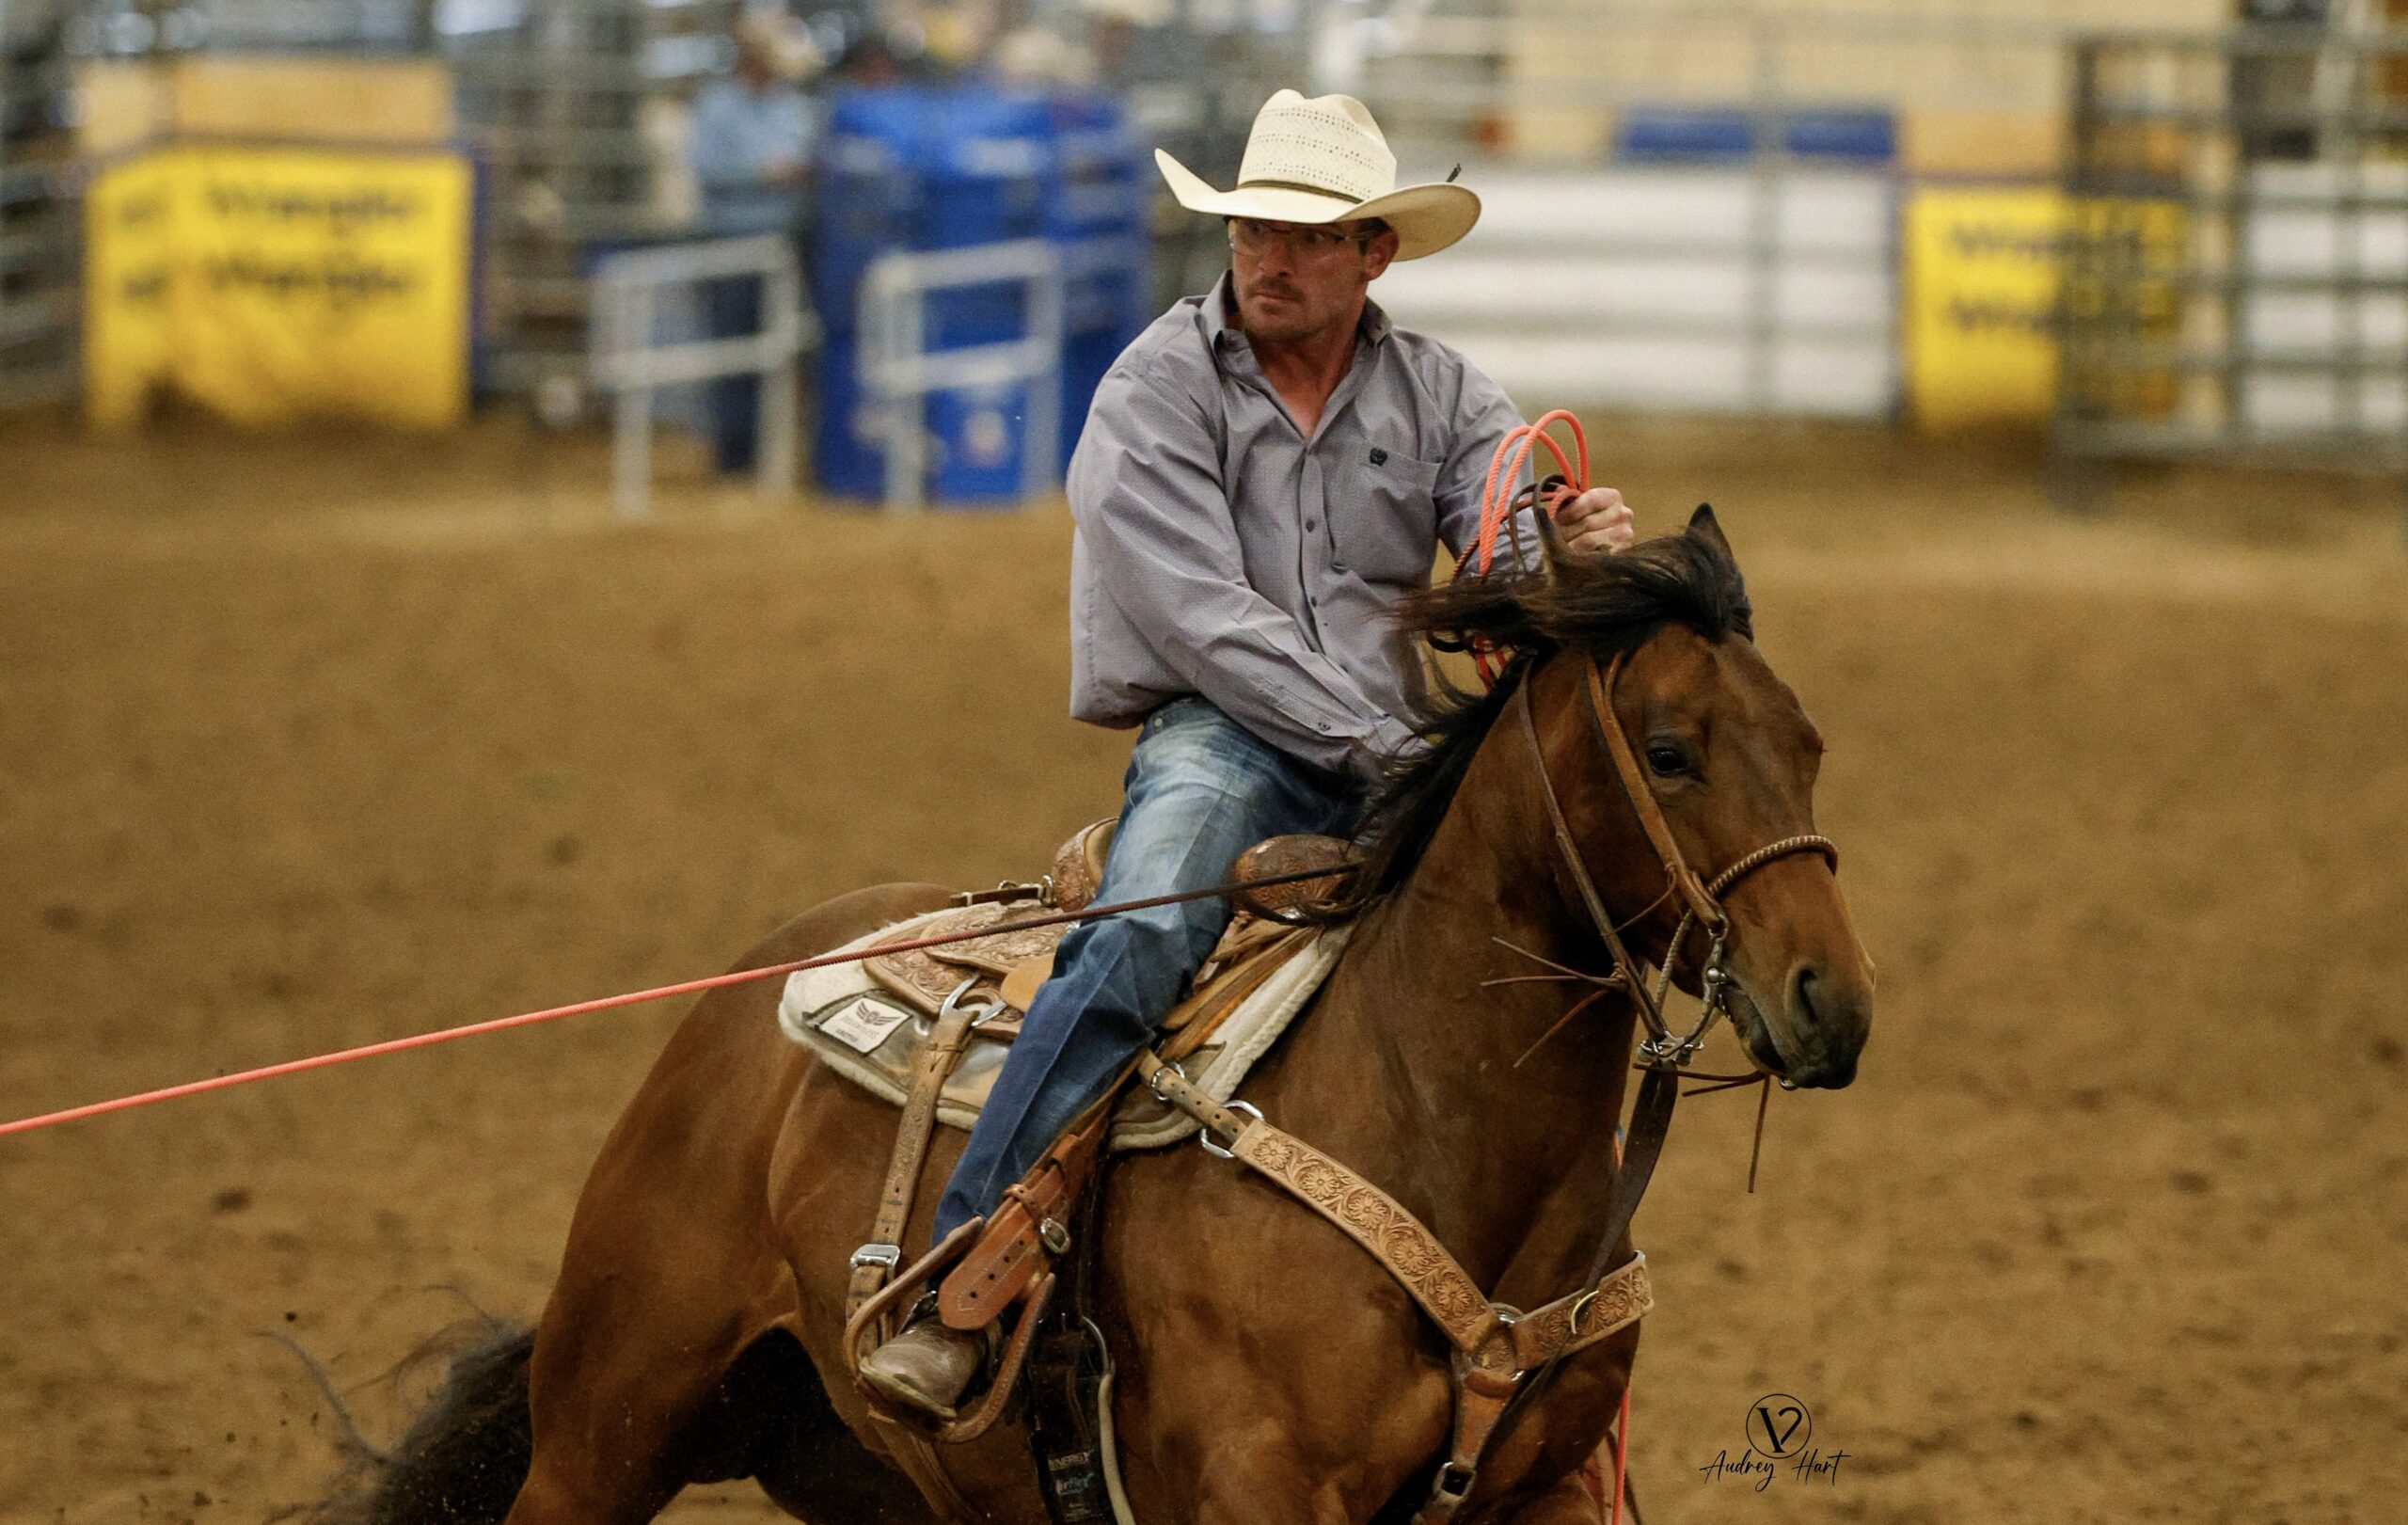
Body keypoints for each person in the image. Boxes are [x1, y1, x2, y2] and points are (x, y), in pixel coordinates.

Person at [860, 89, 1638, 1421]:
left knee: (1553, 935)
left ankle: (1526, 1285)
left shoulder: (1444, 393)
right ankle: (962, 1266)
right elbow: (1205, 623)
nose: (1269, 260)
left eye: (1305, 236)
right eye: (1250, 231)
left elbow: (1502, 543)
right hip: (1231, 737)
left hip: (1395, 744)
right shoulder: (1154, 391)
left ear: (1372, 254)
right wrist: (1392, 751)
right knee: (1141, 929)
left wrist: (1565, 555)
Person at [688, 12, 818, 476]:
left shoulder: (795, 106)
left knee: (787, 354)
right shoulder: (717, 105)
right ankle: (734, 458)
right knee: (734, 354)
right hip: (732, 242)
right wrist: (766, 176)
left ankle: (777, 455)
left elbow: (812, 164)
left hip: (787, 244)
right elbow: (707, 172)